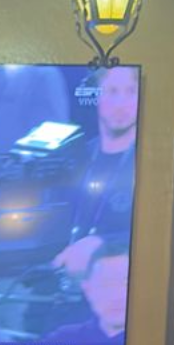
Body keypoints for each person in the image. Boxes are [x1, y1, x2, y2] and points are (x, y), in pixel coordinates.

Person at [51, 64, 139, 282]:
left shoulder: (151, 161)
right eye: (112, 92)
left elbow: (160, 234)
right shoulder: (77, 155)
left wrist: (100, 245)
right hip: (67, 283)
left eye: (131, 92)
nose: (121, 104)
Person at [43, 237, 131, 345]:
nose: (116, 295)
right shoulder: (63, 339)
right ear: (88, 289)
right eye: (105, 284)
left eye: (125, 283)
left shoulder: (156, 339)